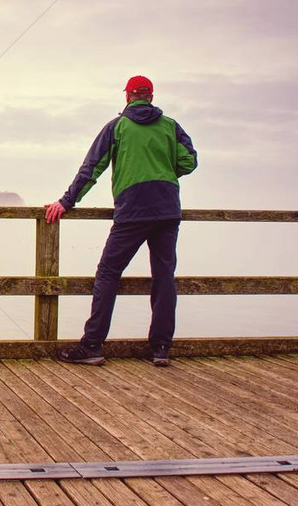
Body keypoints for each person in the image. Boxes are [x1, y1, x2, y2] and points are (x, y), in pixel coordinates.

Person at [45, 76, 197, 366]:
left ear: (127, 96)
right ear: (150, 97)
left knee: (108, 273)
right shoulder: (171, 127)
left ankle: (92, 345)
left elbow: (92, 168)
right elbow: (189, 161)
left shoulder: (117, 128)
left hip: (132, 210)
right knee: (164, 277)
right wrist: (163, 169)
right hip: (167, 209)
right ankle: (161, 349)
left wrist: (66, 201)